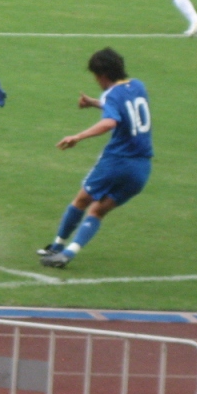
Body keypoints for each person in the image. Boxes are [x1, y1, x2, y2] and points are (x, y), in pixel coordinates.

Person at [39, 48, 152, 269]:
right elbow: (126, 108)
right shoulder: (138, 86)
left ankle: (57, 246)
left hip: (117, 161)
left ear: (102, 75)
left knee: (82, 200)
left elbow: (111, 121)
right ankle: (69, 253)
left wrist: (78, 136)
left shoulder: (110, 94)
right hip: (141, 168)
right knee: (99, 210)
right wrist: (94, 102)